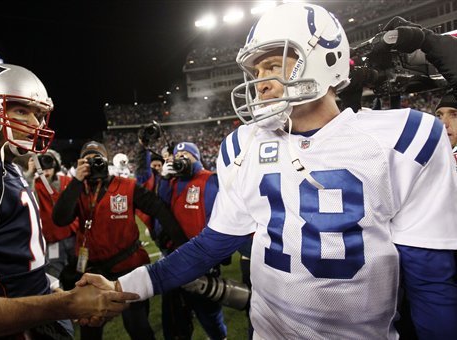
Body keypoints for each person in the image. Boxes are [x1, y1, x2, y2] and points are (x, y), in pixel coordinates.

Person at [79, 3, 457, 339]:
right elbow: (211, 244)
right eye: (256, 69)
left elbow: (430, 279)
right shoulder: (243, 145)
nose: (260, 83)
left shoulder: (403, 138)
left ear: (325, 59)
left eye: (274, 65)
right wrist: (125, 285)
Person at [0, 63, 137, 339]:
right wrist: (61, 305)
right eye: (22, 110)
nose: (36, 124)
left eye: (38, 114)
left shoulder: (2, 166)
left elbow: (7, 265)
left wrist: (57, 294)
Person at [52, 140, 186, 340]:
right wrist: (77, 182)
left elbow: (158, 208)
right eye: (88, 160)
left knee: (138, 327)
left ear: (106, 161)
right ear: (81, 164)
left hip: (128, 268)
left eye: (97, 160)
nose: (94, 164)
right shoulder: (78, 190)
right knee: (90, 330)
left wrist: (181, 243)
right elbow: (60, 219)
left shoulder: (127, 186)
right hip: (92, 272)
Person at [156, 141, 228, 340]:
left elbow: (218, 219)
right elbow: (160, 211)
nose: (182, 160)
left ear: (196, 157)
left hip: (201, 261)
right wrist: (163, 179)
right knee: (177, 317)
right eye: (178, 157)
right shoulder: (171, 181)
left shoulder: (210, 180)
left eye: (186, 156)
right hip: (175, 258)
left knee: (209, 314)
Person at [30, 149, 79, 280]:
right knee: (53, 275)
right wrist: (30, 172)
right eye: (42, 165)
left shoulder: (67, 180)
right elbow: (25, 194)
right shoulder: (35, 184)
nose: (46, 170)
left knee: (79, 272)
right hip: (52, 239)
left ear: (56, 165)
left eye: (49, 164)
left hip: (72, 236)